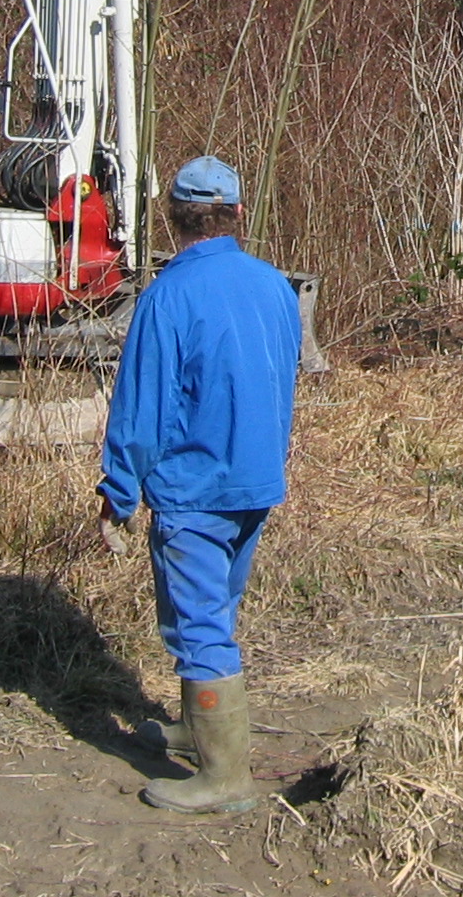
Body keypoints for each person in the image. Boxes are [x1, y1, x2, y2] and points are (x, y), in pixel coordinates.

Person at [98, 156, 302, 815]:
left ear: (174, 218)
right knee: (217, 609)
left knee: (201, 626)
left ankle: (225, 778)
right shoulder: (276, 287)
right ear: (237, 214)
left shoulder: (168, 297)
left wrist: (117, 491)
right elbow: (283, 380)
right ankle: (196, 727)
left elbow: (142, 410)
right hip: (256, 481)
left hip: (195, 489)